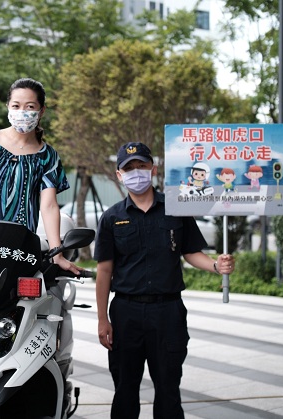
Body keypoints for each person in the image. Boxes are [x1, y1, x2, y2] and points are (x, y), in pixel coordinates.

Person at [94, 142, 235, 419]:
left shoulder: (176, 208)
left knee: (169, 390)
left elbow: (192, 253)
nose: (136, 173)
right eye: (129, 168)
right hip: (126, 313)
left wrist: (217, 266)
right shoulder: (112, 217)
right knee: (124, 390)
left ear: (153, 169)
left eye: (142, 166)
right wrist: (102, 319)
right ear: (119, 174)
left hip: (168, 313)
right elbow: (104, 271)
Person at [0, 77, 80, 274]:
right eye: (16, 105)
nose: (22, 112)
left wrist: (56, 253)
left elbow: (49, 205)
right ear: (8, 106)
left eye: (30, 106)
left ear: (41, 111)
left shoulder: (47, 156)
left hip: (17, 245)